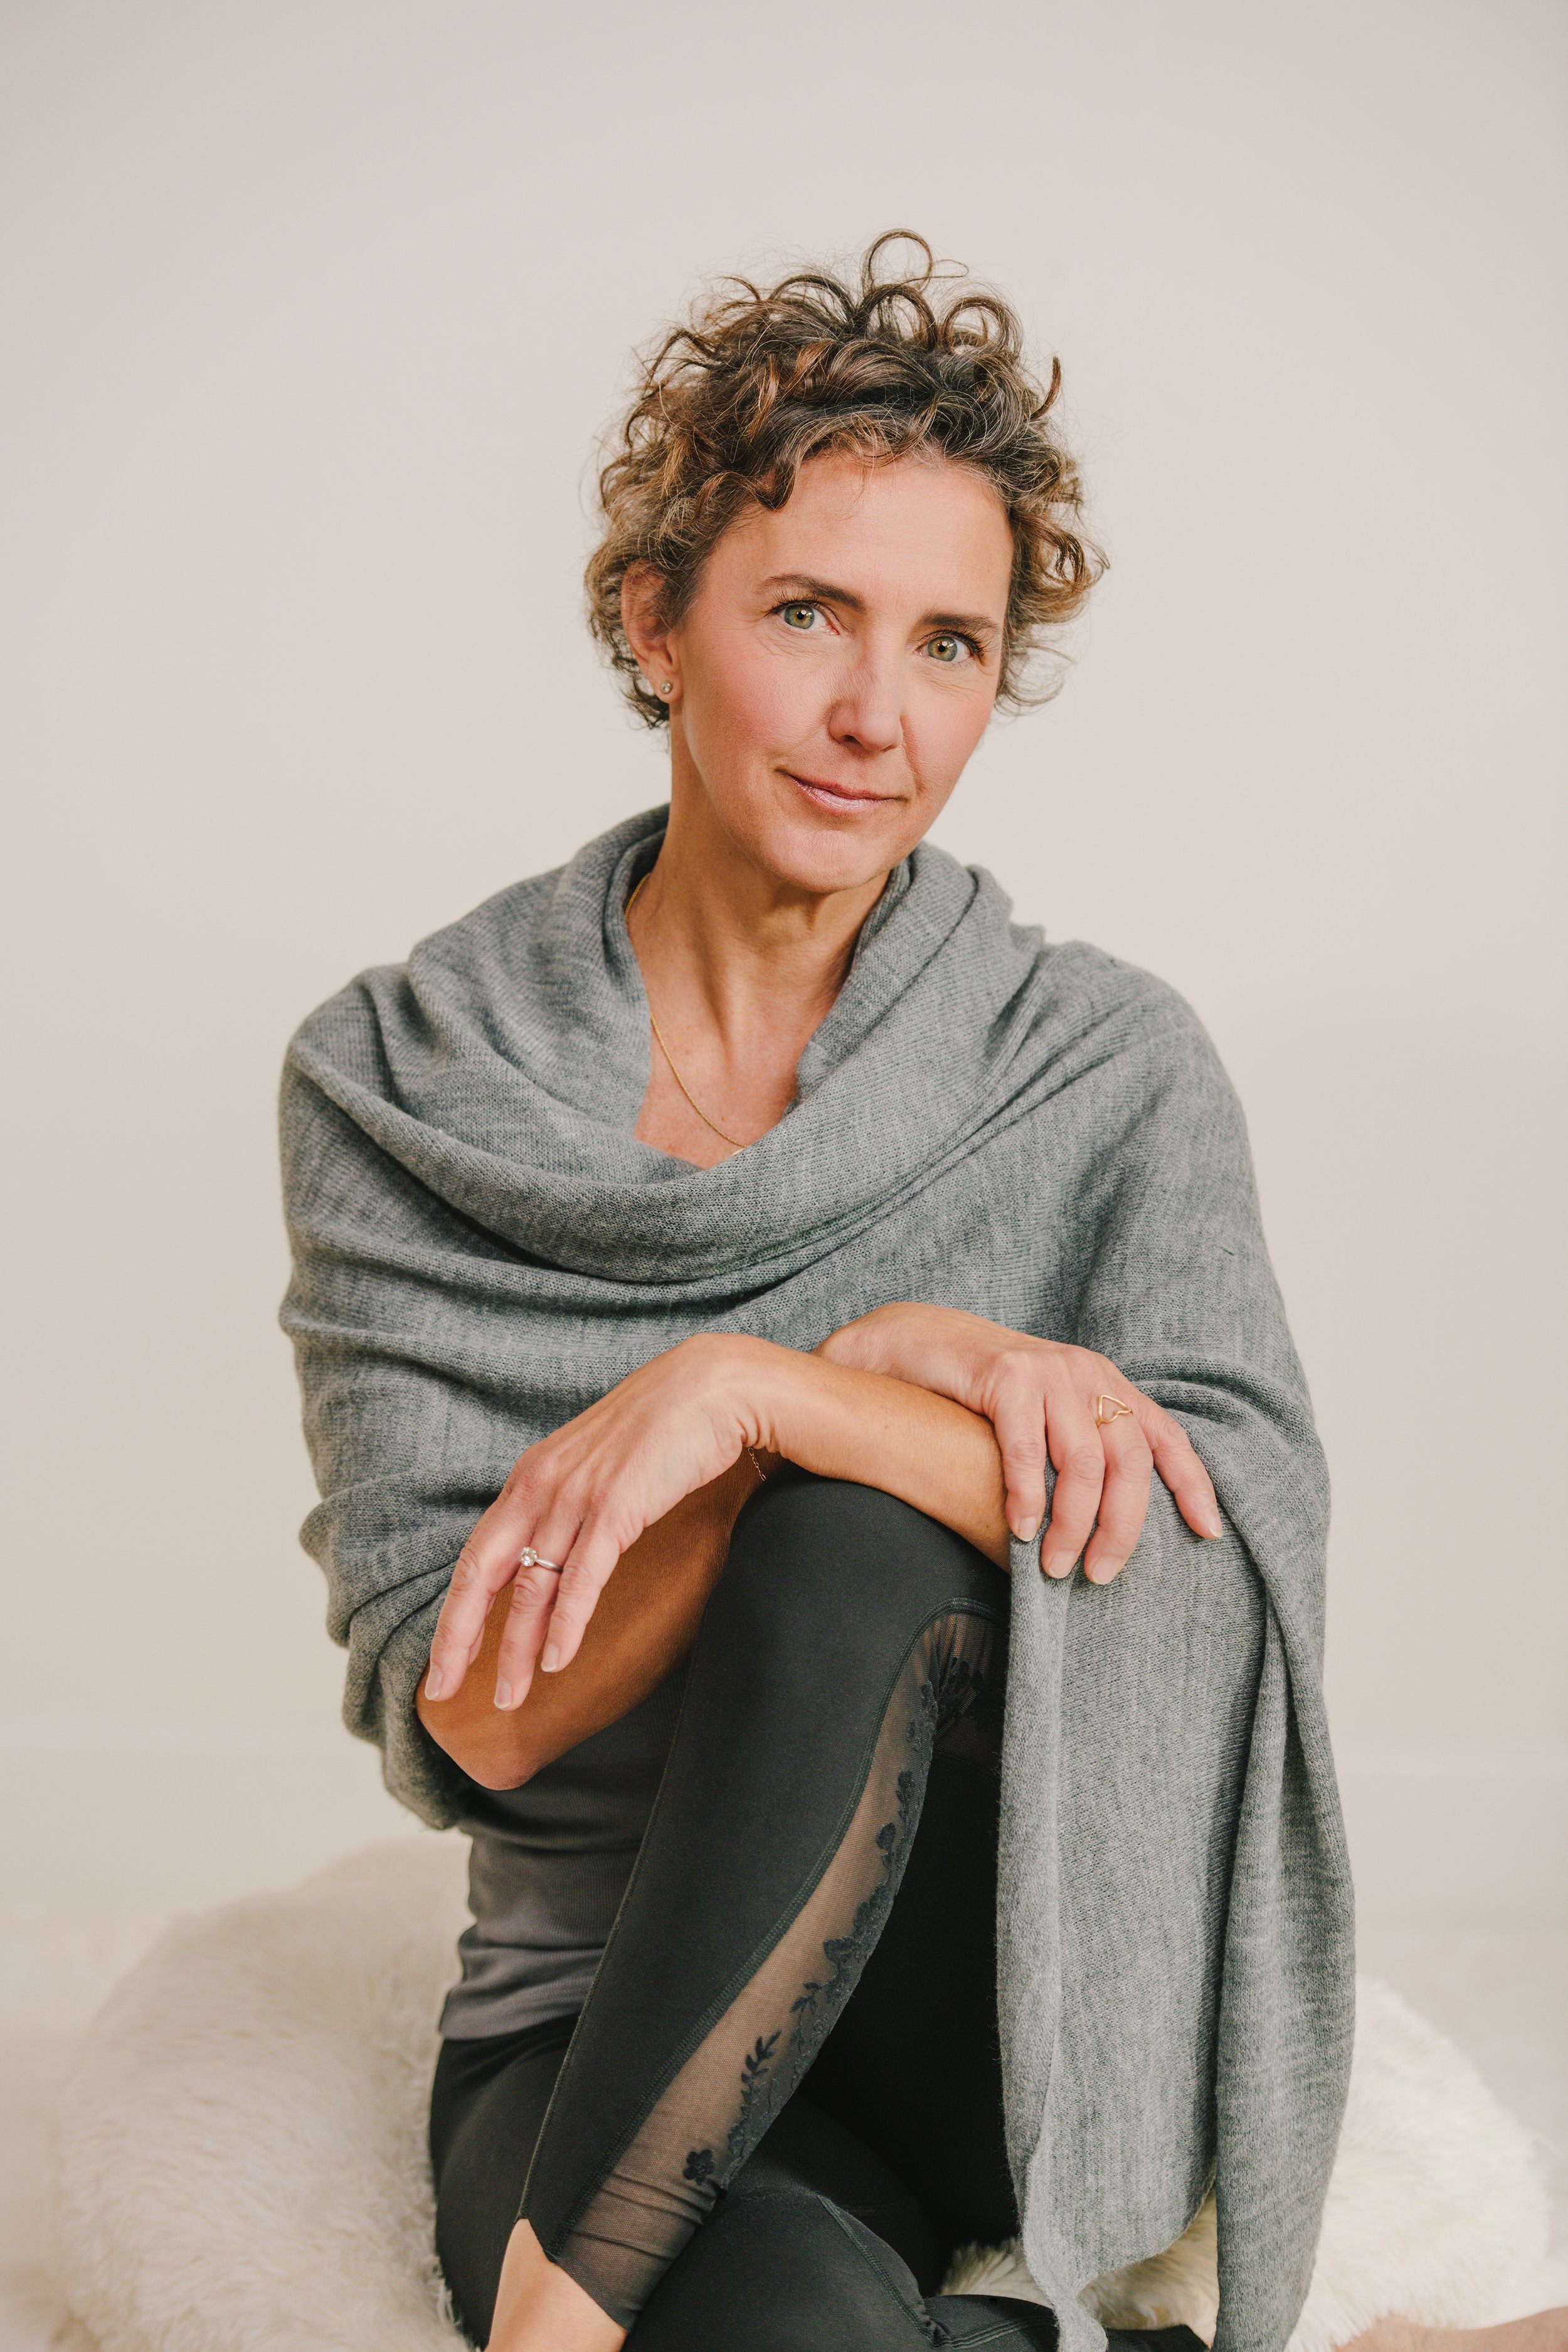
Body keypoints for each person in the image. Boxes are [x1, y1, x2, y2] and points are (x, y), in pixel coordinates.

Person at [279, 236, 1560, 2352]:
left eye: (952, 645)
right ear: (652, 624)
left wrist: (797, 1399)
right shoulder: (409, 1080)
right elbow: (474, 1713)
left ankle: (544, 2336)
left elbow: (1231, 1530)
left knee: (851, 1532)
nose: (883, 716)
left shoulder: (1096, 1064)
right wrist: (797, 1386)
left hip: (994, 2002)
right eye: (808, 616)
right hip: (592, 2017)